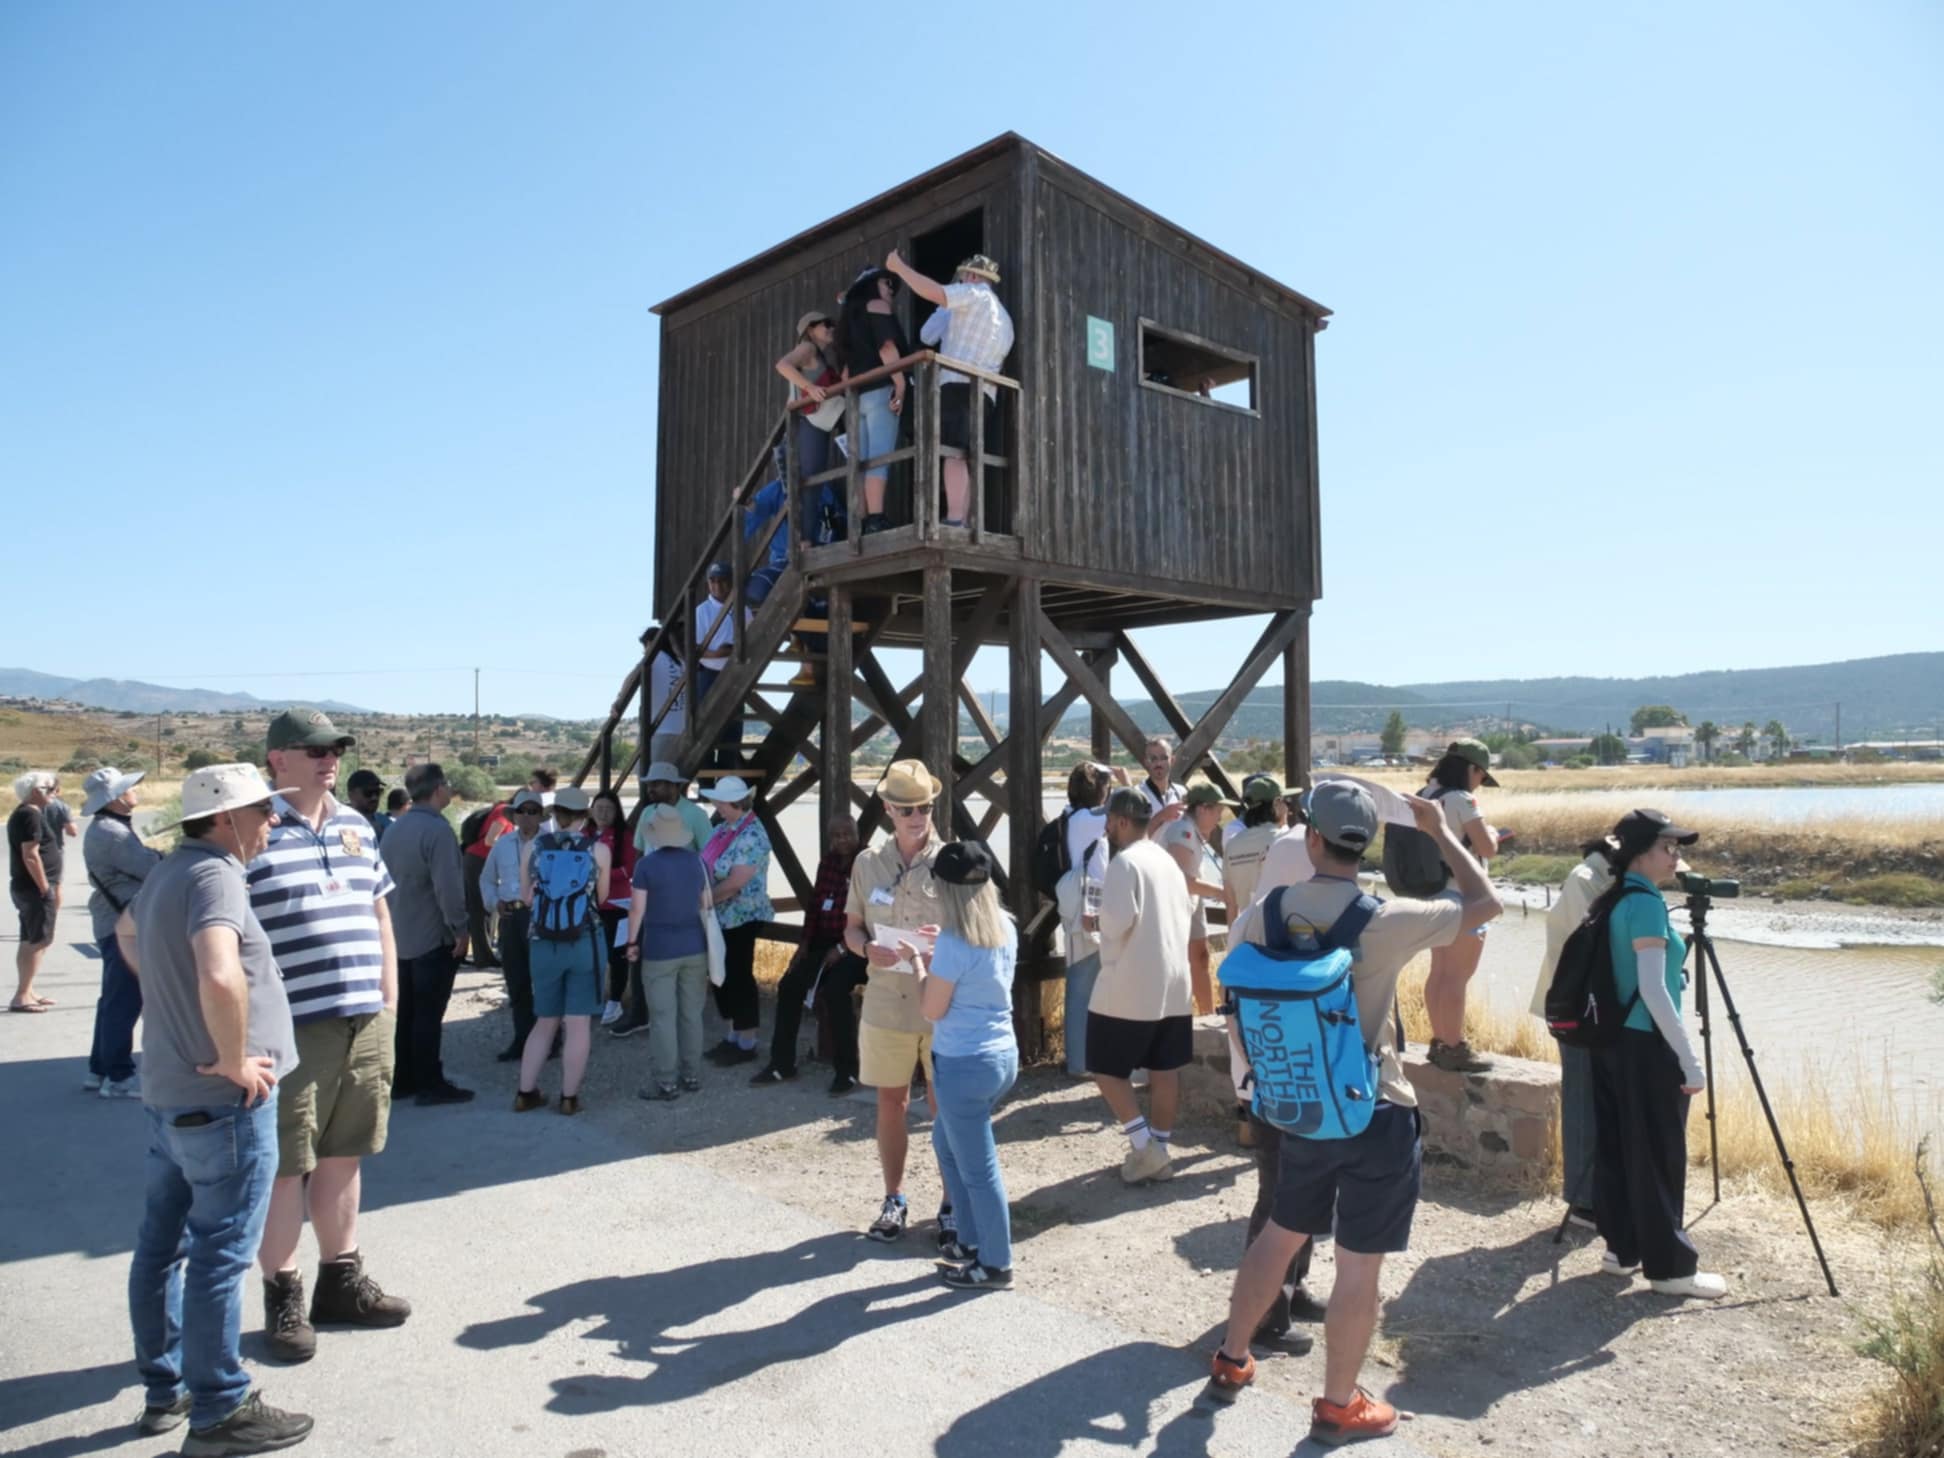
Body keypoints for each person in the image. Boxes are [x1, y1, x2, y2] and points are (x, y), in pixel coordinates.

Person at [1208, 784, 1501, 1445]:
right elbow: (1487, 904)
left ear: (1311, 837)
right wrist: (1440, 832)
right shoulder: (1387, 919)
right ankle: (1340, 1404)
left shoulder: (1265, 911)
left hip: (1297, 1104)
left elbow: (1234, 994)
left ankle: (1232, 1357)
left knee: (1280, 1234)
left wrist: (1255, 1077)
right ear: (1362, 845)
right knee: (1358, 1265)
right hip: (1375, 1111)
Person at [117, 762, 314, 1453]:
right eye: (264, 812)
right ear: (227, 818)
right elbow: (220, 970)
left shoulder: (169, 871)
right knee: (221, 1255)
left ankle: (165, 1389)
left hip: (172, 1093)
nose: (273, 822)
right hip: (224, 1101)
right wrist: (232, 1057)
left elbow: (128, 935)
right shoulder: (214, 875)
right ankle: (220, 1407)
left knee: (162, 1247)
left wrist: (174, 1013)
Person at [248, 707, 410, 1366]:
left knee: (346, 1153)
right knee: (288, 1166)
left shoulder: (355, 826)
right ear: (277, 759)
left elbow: (378, 912)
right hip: (291, 1029)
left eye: (335, 748)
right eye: (313, 749)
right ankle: (281, 1293)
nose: (328, 758)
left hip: (364, 1019)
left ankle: (339, 1281)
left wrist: (390, 1002)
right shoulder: (251, 827)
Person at [1589, 809, 1724, 1300]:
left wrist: (1674, 973)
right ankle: (1670, 1270)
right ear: (1641, 851)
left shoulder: (1616, 897)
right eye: (1668, 847)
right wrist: (1689, 1060)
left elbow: (1636, 974)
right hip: (1646, 1044)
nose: (1676, 856)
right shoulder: (1645, 905)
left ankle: (1620, 1251)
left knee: (1620, 1147)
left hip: (1612, 1044)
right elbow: (1651, 989)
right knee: (1659, 1155)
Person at [841, 759, 948, 1244]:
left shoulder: (953, 862)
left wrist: (944, 939)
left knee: (944, 1107)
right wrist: (865, 948)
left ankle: (952, 1203)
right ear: (888, 809)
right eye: (906, 807)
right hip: (886, 998)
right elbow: (851, 925)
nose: (916, 815)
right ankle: (894, 1197)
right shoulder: (867, 863)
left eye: (924, 806)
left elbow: (980, 932)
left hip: (941, 1002)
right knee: (891, 1101)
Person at [903, 842, 1018, 1291]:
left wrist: (917, 963)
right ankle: (970, 1240)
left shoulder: (953, 943)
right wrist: (939, 953)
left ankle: (995, 1262)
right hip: (1000, 1055)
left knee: (978, 1168)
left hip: (963, 1063)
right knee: (946, 1143)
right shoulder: (1004, 926)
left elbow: (933, 1008)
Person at [1086, 788, 1194, 1184]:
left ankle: (1144, 1144)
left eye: (1109, 821)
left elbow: (1116, 922)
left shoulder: (1124, 862)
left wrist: (1094, 920)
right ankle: (1161, 1151)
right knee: (1164, 1068)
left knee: (1103, 1066)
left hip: (1129, 983)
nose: (1107, 828)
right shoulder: (1165, 861)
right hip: (1174, 982)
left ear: (1120, 821)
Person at [885, 248, 1014, 527]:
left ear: (968, 276)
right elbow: (928, 334)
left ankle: (955, 518)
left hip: (957, 385)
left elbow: (927, 326)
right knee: (966, 453)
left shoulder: (972, 294)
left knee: (953, 452)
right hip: (987, 392)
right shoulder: (1004, 318)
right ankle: (964, 518)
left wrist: (900, 268)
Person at [381, 763, 472, 1105]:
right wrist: (460, 929)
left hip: (399, 935)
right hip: (432, 938)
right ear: (438, 790)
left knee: (404, 1014)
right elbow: (447, 889)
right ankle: (429, 1083)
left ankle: (402, 1078)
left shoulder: (395, 828)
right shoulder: (438, 831)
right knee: (429, 1015)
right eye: (447, 784)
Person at [512, 787, 607, 1115]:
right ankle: (569, 1097)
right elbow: (602, 899)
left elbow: (526, 898)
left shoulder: (533, 848)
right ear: (585, 815)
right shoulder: (599, 851)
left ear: (555, 813)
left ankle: (526, 1092)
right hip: (584, 940)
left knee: (545, 1021)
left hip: (543, 941)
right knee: (578, 1024)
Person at [753, 814, 865, 1089]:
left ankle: (847, 1070)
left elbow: (872, 916)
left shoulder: (867, 865)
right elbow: (815, 906)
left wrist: (841, 948)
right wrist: (804, 944)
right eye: (837, 836)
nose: (842, 840)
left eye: (847, 834)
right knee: (789, 985)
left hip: (856, 947)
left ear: (857, 835)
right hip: (822, 942)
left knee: (835, 991)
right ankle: (782, 1064)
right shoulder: (826, 864)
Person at [1418, 739, 1502, 1073]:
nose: (1480, 781)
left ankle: (1439, 1040)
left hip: (1431, 895)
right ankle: (1454, 1047)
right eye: (1482, 775)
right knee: (1457, 976)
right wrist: (1494, 833)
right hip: (1464, 896)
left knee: (1439, 971)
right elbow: (1486, 847)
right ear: (1472, 769)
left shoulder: (1425, 796)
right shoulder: (1461, 799)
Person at [81, 766, 160, 1096]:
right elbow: (150, 868)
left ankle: (100, 1069)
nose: (134, 791)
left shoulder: (106, 828)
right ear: (114, 799)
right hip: (123, 926)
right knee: (124, 1002)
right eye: (128, 788)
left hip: (112, 922)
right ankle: (118, 1076)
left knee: (113, 1000)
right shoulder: (114, 833)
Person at [627, 804, 712, 1100]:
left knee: (663, 1016)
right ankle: (692, 1074)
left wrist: (631, 942)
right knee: (691, 1014)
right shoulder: (697, 863)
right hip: (694, 946)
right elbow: (704, 904)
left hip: (660, 948)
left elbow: (637, 909)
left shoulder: (646, 866)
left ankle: (666, 1080)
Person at [697, 776, 771, 1062]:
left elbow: (736, 882)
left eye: (720, 802)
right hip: (719, 913)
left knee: (738, 974)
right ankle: (732, 1035)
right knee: (721, 974)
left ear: (734, 803)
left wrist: (701, 902)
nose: (716, 806)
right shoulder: (725, 829)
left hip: (742, 914)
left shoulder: (752, 834)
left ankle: (747, 1040)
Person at [837, 267, 911, 536]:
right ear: (871, 285)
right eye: (886, 282)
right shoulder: (877, 306)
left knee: (860, 462)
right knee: (879, 458)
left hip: (856, 398)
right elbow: (887, 348)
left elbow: (844, 370)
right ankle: (876, 519)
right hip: (881, 390)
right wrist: (900, 384)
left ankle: (860, 520)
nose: (891, 288)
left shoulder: (846, 318)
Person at [1055, 762, 1116, 1078]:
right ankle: (1080, 1062)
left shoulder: (1071, 816)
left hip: (1079, 906)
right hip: (1086, 910)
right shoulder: (1087, 821)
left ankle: (1083, 1057)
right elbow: (1125, 810)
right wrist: (1122, 778)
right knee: (1082, 986)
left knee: (1083, 983)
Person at [481, 789, 545, 1061]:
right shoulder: (503, 845)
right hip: (511, 917)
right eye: (523, 811)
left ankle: (548, 1039)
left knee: (542, 981)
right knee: (516, 981)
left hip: (541, 918)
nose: (527, 817)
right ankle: (522, 1039)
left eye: (533, 811)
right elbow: (485, 880)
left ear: (540, 816)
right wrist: (495, 902)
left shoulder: (550, 844)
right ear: (515, 815)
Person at [1162, 782, 1228, 1016]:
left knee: (1201, 957)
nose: (1220, 817)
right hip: (1176, 908)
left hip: (1190, 904)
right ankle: (1191, 1015)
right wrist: (1221, 892)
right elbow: (1183, 881)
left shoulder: (1192, 832)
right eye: (1218, 811)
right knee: (1183, 964)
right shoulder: (1183, 833)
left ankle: (1207, 1014)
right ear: (1202, 809)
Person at [774, 309, 846, 502]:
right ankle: (805, 530)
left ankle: (806, 530)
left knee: (812, 482)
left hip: (812, 424)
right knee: (810, 480)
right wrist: (811, 388)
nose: (830, 328)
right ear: (811, 330)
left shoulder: (820, 355)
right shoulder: (808, 348)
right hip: (809, 423)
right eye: (825, 325)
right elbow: (782, 365)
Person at [587, 789, 640, 1032]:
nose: (603, 813)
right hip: (589, 906)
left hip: (617, 905)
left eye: (609, 809)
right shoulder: (583, 834)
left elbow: (628, 870)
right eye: (599, 808)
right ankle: (592, 997)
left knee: (616, 955)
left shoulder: (624, 836)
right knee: (590, 954)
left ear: (617, 811)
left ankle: (615, 1000)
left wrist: (601, 874)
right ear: (591, 810)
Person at [694, 563, 741, 771]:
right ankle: (706, 784)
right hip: (709, 675)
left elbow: (754, 638)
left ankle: (726, 782)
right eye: (713, 580)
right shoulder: (701, 612)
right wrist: (718, 653)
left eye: (721, 580)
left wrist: (730, 651)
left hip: (735, 675)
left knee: (733, 730)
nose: (717, 585)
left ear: (730, 582)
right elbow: (693, 649)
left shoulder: (742, 609)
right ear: (708, 584)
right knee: (706, 729)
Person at [459, 793, 512, 972]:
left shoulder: (501, 810)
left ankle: (484, 954)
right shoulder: (504, 812)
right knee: (479, 910)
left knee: (484, 910)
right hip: (479, 860)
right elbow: (491, 840)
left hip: (479, 859)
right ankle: (483, 957)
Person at [634, 761, 713, 855]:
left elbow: (709, 854)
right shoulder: (647, 812)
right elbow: (639, 851)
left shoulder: (697, 814)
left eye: (655, 784)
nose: (650, 789)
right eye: (649, 785)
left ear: (673, 786)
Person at [644, 634, 688, 767]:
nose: (644, 651)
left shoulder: (653, 658)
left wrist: (617, 701)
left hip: (660, 730)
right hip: (681, 730)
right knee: (673, 775)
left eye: (645, 646)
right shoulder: (682, 663)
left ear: (650, 643)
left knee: (648, 774)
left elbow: (632, 678)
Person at [344, 769, 387, 839]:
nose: (374, 797)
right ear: (351, 795)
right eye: (368, 792)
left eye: (378, 792)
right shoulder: (340, 823)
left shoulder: (387, 824)